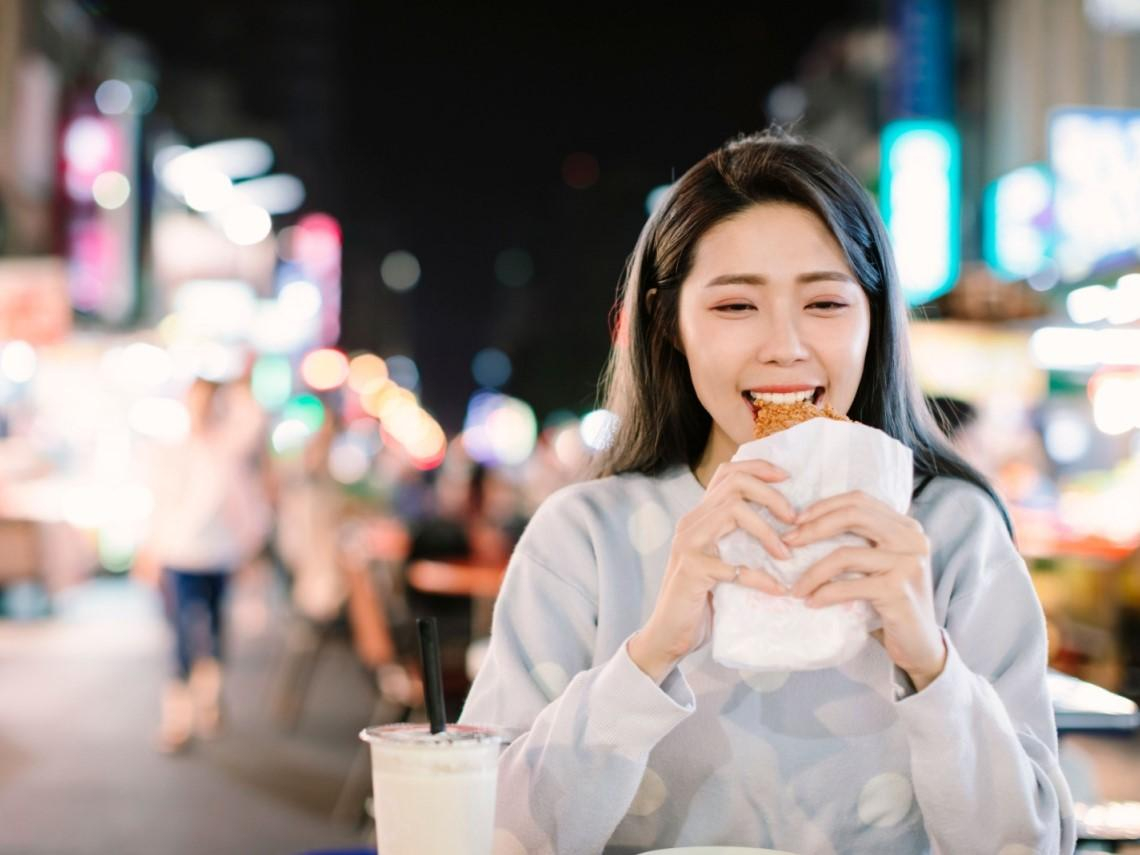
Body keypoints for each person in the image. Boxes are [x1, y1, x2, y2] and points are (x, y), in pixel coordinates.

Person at [459, 131, 1075, 854]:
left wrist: (928, 660)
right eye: (735, 307)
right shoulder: (583, 535)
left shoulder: (955, 530)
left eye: (824, 303)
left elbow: (1032, 845)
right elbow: (482, 832)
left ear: (874, 319)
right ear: (668, 324)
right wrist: (652, 652)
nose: (784, 346)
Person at [137, 377, 267, 752]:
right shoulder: (173, 452)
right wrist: (151, 551)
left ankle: (209, 699)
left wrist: (241, 384)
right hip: (179, 556)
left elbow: (251, 426)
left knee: (215, 625)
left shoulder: (226, 448)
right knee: (180, 631)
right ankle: (178, 716)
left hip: (220, 555)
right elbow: (159, 505)